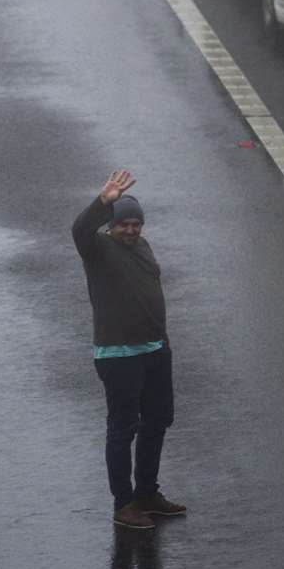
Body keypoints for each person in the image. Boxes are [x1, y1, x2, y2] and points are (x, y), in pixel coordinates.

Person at [72, 169, 186, 530]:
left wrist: (163, 343)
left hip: (154, 349)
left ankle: (148, 493)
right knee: (123, 429)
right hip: (119, 355)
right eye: (125, 224)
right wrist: (102, 203)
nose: (132, 230)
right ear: (111, 226)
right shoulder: (98, 248)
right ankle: (124, 504)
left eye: (137, 224)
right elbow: (79, 231)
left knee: (158, 420)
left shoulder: (142, 246)